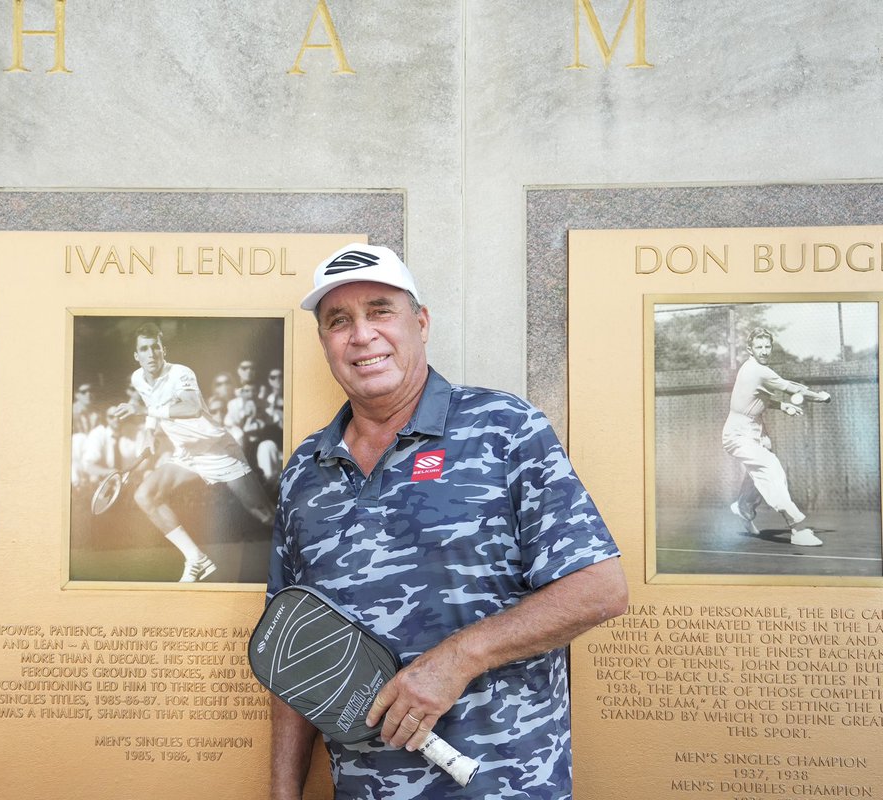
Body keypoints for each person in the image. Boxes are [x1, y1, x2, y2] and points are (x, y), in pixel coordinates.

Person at [268, 243, 627, 800]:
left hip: (505, 786)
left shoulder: (503, 428)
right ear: (325, 344)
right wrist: (283, 793)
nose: (361, 335)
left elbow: (599, 589)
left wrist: (457, 660)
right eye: (339, 321)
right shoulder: (304, 472)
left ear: (421, 322)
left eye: (380, 310)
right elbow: (294, 650)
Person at [114, 323, 275, 581]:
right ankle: (196, 559)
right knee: (145, 495)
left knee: (264, 513)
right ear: (137, 356)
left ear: (163, 349)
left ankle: (305, 556)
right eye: (144, 349)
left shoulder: (180, 373)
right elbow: (152, 405)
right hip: (186, 454)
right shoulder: (138, 378)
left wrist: (145, 413)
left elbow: (191, 408)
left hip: (217, 449)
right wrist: (149, 433)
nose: (151, 353)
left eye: (155, 347)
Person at [723, 327, 831, 547]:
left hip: (755, 431)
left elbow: (755, 400)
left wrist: (782, 406)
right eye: (759, 347)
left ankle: (743, 506)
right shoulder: (757, 370)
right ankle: (797, 529)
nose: (764, 351)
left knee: (758, 473)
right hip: (738, 434)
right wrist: (819, 396)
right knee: (771, 468)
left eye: (767, 346)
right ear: (750, 349)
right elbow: (791, 387)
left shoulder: (756, 370)